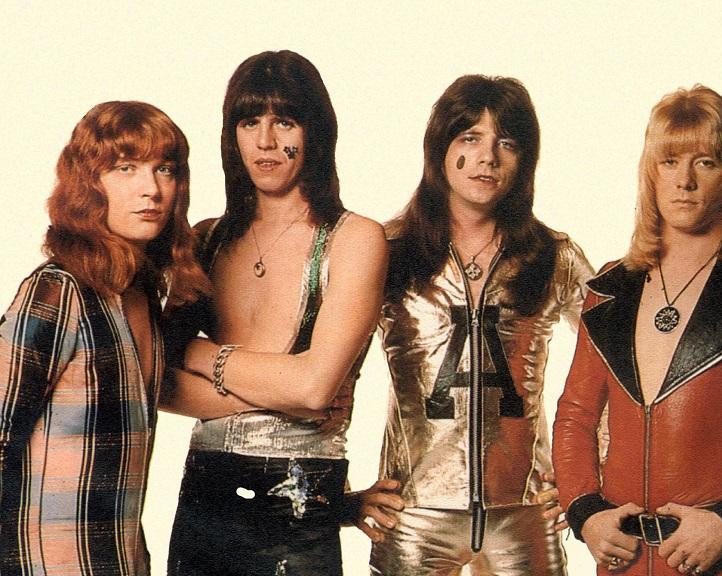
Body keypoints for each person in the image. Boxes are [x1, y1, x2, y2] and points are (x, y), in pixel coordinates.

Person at [552, 85, 722, 575]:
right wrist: (585, 513)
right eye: (670, 162)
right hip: (622, 562)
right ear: (651, 172)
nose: (684, 181)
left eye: (705, 162)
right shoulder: (611, 287)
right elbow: (575, 417)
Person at [161, 50, 391, 576]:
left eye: (284, 121)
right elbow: (154, 382)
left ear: (316, 133)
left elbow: (313, 389)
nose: (265, 141)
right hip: (204, 498)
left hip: (300, 501)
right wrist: (285, 392)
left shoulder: (354, 239)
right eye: (249, 122)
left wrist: (199, 353)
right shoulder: (205, 239)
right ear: (232, 135)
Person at [369, 74, 594, 576]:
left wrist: (589, 476)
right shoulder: (389, 250)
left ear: (525, 159)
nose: (487, 157)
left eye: (506, 142)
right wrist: (341, 491)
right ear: (440, 148)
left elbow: (620, 361)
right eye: (470, 137)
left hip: (525, 510)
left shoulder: (552, 255)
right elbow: (335, 367)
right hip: (414, 510)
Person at [0, 101, 208, 575]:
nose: (151, 188)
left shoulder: (141, 294)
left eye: (165, 169)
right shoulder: (59, 291)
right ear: (88, 183)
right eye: (125, 168)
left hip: (120, 560)